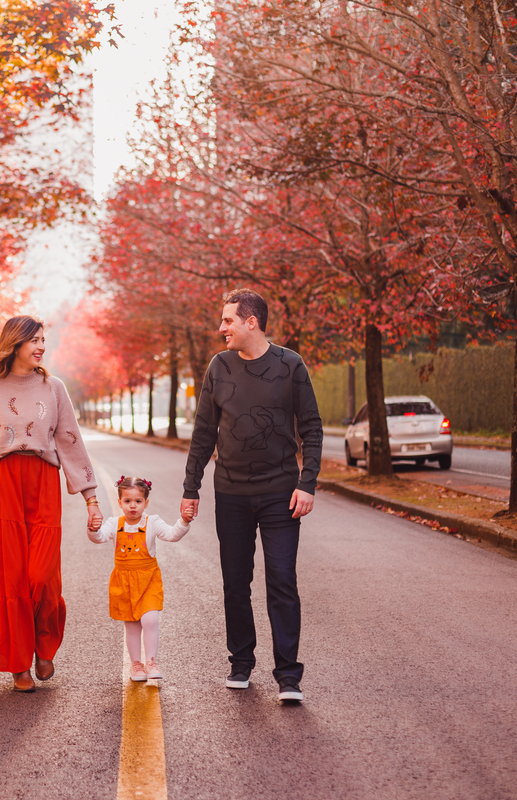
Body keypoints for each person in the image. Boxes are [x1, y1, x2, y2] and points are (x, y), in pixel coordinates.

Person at [0, 315, 102, 693]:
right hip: (2, 486)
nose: (42, 346)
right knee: (10, 577)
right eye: (35, 340)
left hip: (43, 483)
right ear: (15, 344)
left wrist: (92, 500)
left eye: (44, 340)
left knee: (41, 575)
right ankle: (18, 663)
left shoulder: (53, 387)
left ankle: (44, 645)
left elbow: (71, 442)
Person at [181, 288, 322, 704]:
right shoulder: (218, 367)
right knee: (235, 582)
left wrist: (307, 482)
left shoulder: (290, 365)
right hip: (231, 494)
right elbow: (204, 433)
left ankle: (288, 676)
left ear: (250, 322)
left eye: (227, 320)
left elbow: (311, 428)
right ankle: (241, 662)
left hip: (282, 494)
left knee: (282, 581)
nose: (221, 328)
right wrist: (192, 489)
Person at [89, 476, 193, 681]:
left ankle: (151, 661)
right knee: (132, 625)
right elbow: (100, 537)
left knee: (150, 619)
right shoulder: (114, 523)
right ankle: (136, 664)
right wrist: (92, 529)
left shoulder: (152, 522)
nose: (133, 506)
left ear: (146, 502)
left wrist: (184, 521)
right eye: (127, 501)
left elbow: (172, 535)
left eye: (138, 501)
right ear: (119, 503)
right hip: (124, 581)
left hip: (148, 580)